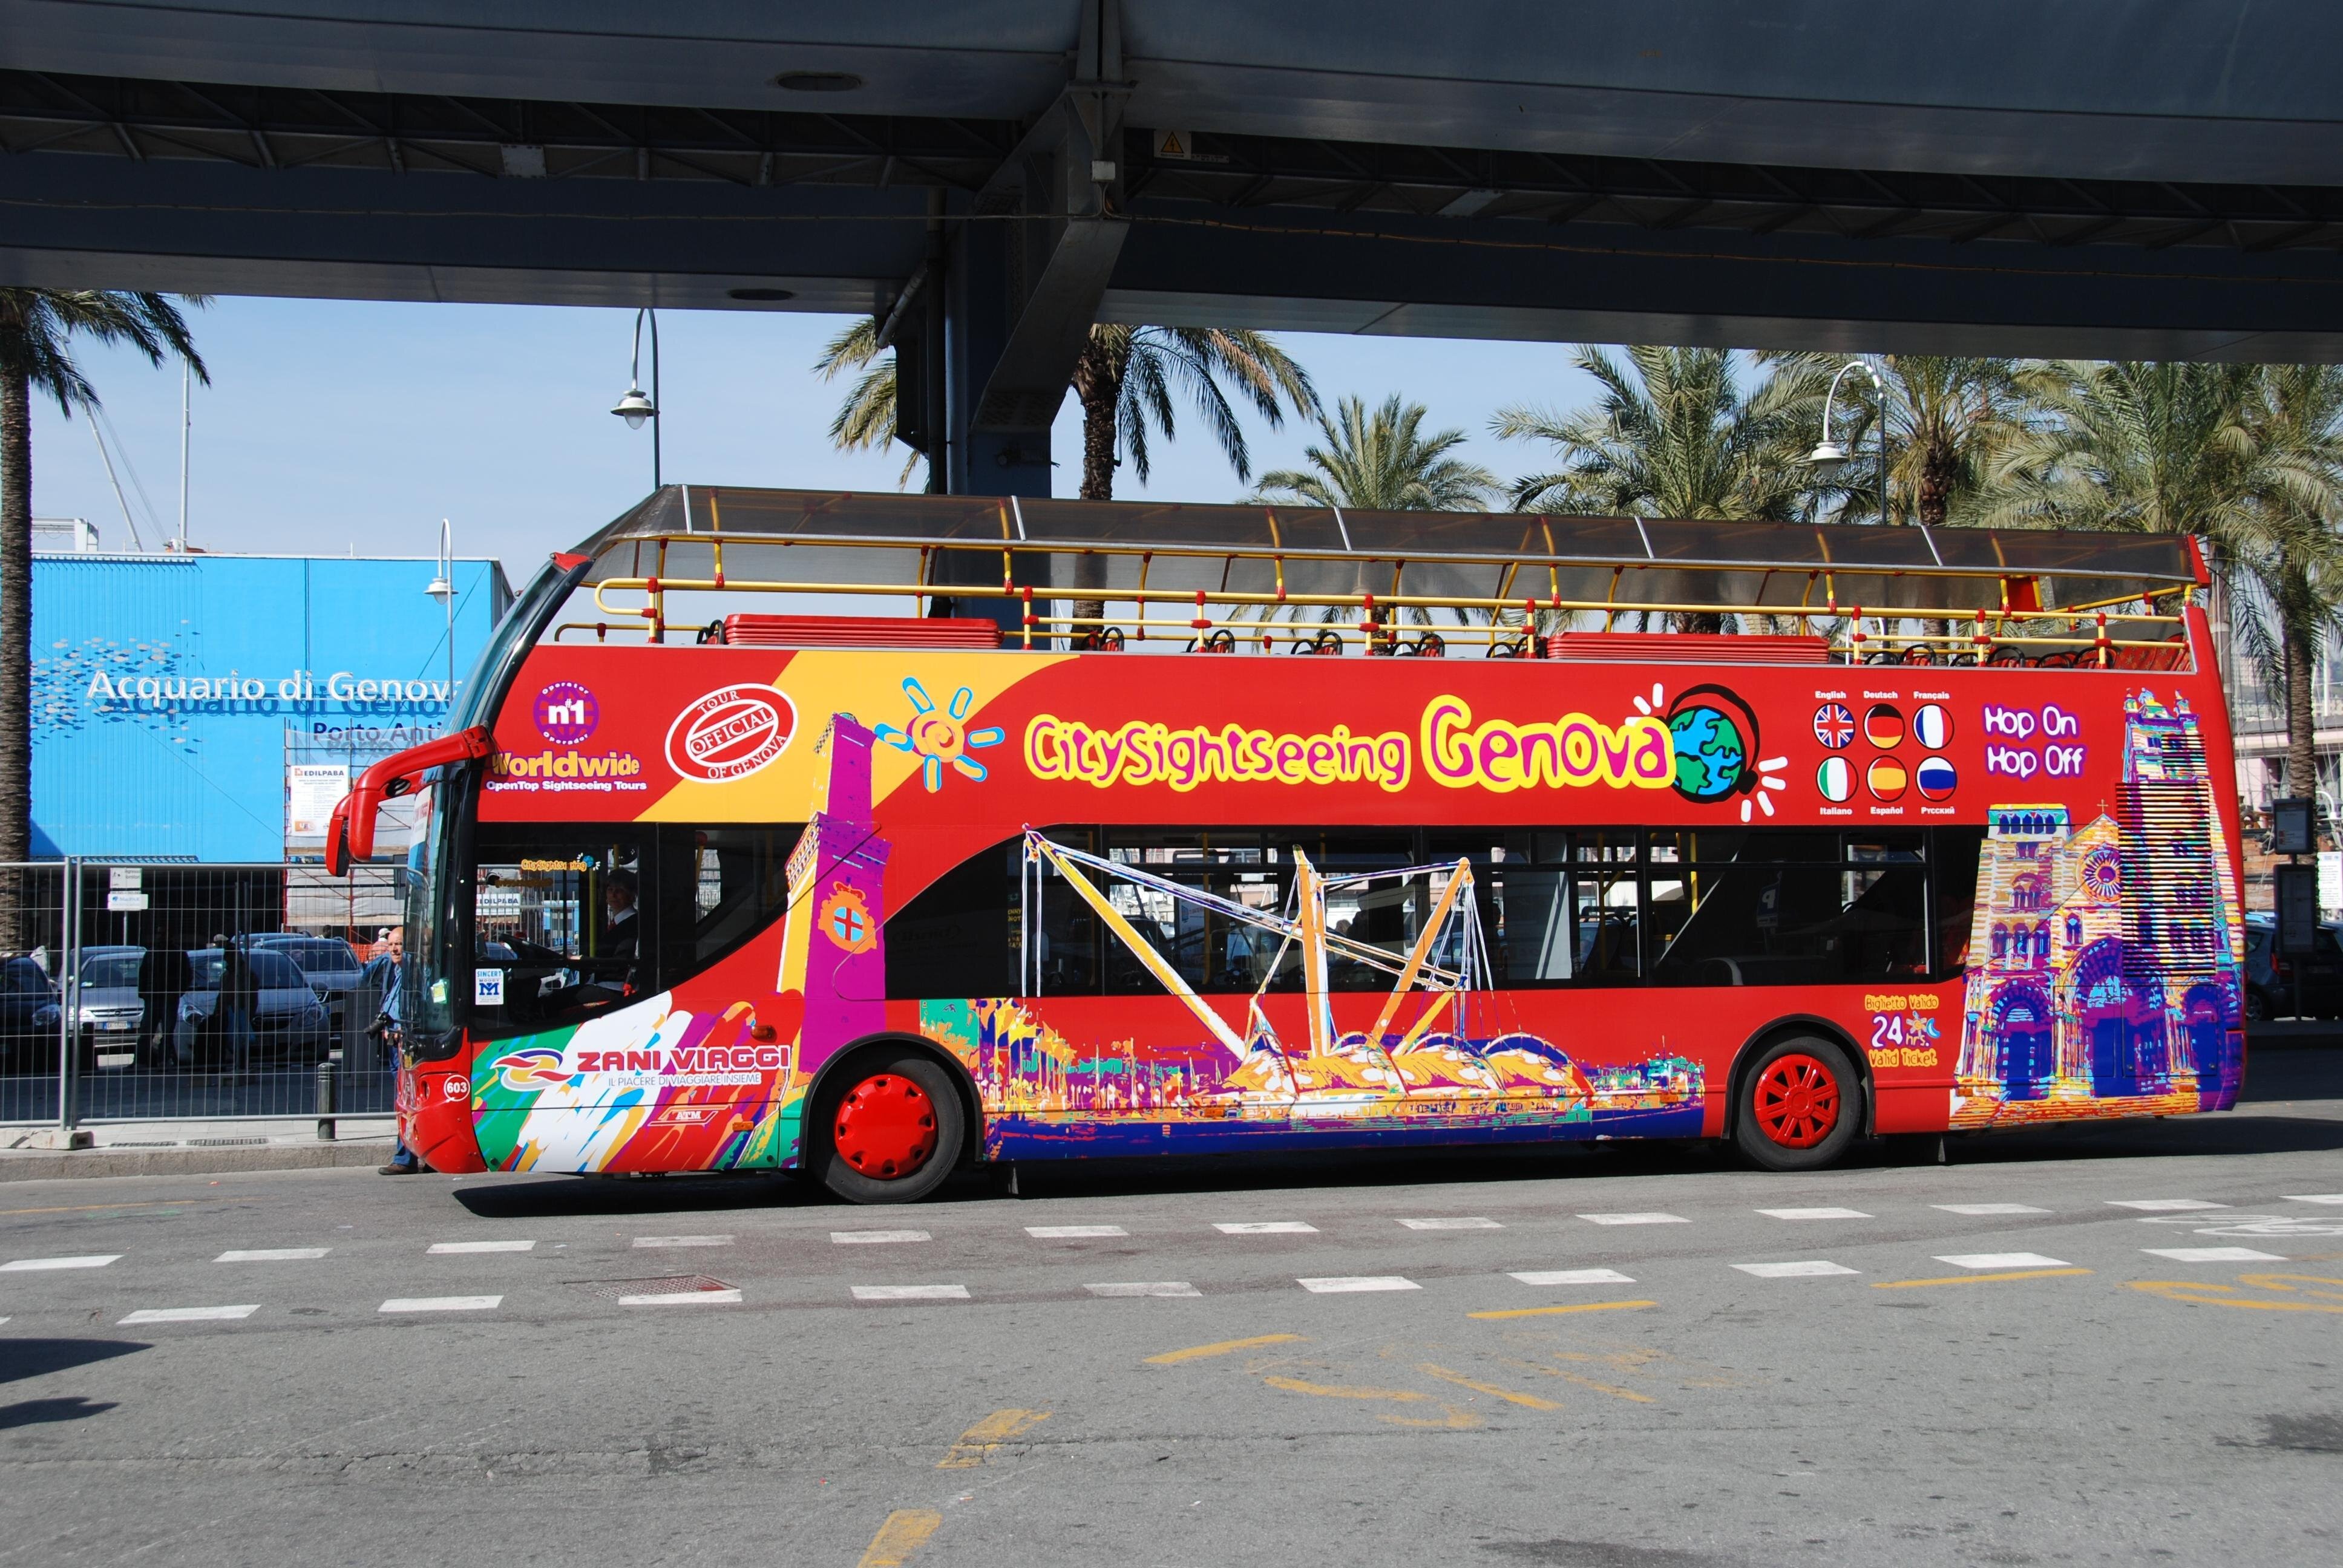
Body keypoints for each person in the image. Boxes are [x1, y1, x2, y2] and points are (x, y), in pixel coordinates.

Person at [363, 927, 421, 1176]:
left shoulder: (416, 975)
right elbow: (365, 978)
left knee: (405, 1102)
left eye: (399, 945)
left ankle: (405, 1158)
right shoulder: (396, 971)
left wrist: (400, 1031)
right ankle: (417, 1155)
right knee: (407, 1101)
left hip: (406, 1044)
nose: (394, 950)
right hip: (396, 1044)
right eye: (390, 945)